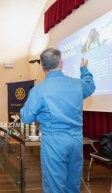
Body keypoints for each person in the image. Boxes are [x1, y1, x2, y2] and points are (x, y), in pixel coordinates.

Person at [20, 48, 95, 193]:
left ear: (42, 66)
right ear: (61, 64)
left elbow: (26, 117)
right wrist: (84, 69)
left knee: (54, 188)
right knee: (73, 186)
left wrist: (27, 109)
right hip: (76, 142)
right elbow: (90, 86)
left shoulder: (38, 90)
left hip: (54, 143)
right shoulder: (77, 84)